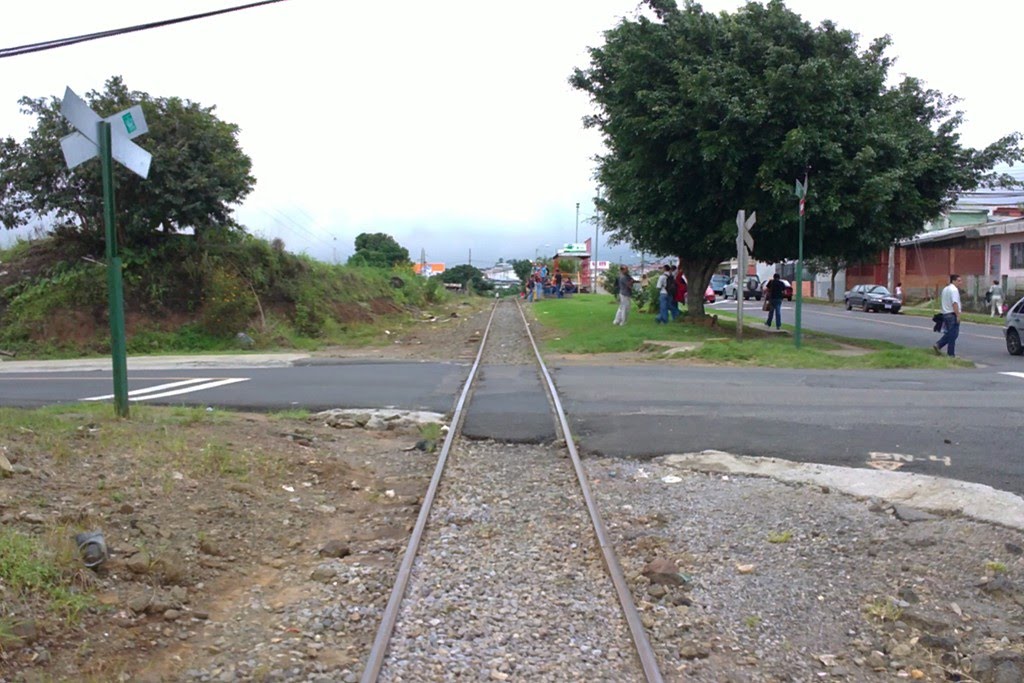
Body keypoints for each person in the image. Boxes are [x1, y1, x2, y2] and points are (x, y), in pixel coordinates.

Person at [933, 274, 962, 357]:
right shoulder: (954, 290)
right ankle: (950, 353)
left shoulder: (945, 289)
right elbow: (955, 303)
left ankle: (939, 345)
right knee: (953, 334)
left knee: (951, 333)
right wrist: (958, 315)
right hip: (952, 314)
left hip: (945, 313)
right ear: (953, 281)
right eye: (959, 281)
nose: (960, 283)